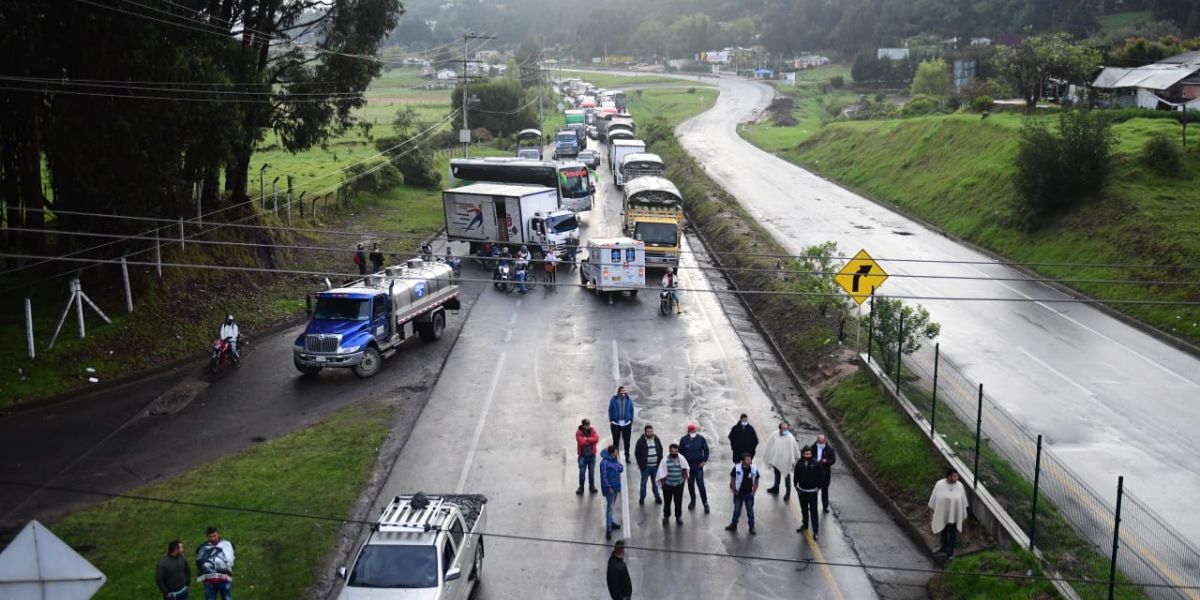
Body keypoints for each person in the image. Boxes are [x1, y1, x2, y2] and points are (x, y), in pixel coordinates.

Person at [929, 468, 969, 559]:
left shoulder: (960, 486)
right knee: (943, 530)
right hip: (943, 513)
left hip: (954, 515)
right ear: (949, 476)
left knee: (952, 533)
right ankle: (943, 548)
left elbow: (962, 501)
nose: (957, 478)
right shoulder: (940, 485)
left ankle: (950, 552)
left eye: (957, 475)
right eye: (955, 476)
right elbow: (936, 498)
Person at [764, 421, 802, 501]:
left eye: (786, 428)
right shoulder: (775, 434)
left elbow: (794, 448)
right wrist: (771, 456)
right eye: (783, 428)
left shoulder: (790, 437)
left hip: (786, 461)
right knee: (776, 474)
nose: (785, 430)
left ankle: (788, 493)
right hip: (776, 459)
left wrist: (794, 458)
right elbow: (770, 445)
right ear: (780, 428)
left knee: (786, 477)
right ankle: (776, 488)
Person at [724, 452, 760, 534]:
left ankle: (752, 527)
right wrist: (734, 490)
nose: (749, 461)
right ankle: (733, 525)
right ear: (742, 461)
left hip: (748, 494)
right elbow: (732, 479)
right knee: (737, 511)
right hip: (738, 494)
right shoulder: (737, 468)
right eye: (747, 459)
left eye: (750, 459)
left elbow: (757, 481)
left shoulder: (754, 468)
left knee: (750, 512)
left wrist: (753, 492)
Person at [678, 423, 710, 513]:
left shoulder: (701, 439)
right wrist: (683, 466)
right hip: (688, 468)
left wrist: (704, 461)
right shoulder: (684, 440)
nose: (694, 432)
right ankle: (693, 501)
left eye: (695, 430)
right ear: (688, 431)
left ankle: (705, 503)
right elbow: (679, 453)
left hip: (698, 467)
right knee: (690, 485)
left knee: (701, 485)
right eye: (692, 430)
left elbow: (706, 450)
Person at [195, 527, 234, 600]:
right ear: (207, 537)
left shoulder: (226, 545)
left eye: (214, 536)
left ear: (218, 534)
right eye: (210, 537)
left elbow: (229, 558)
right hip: (210, 582)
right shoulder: (203, 547)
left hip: (224, 580)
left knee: (227, 598)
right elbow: (199, 561)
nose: (213, 538)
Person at [655, 443, 690, 525]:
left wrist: (682, 482)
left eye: (676, 451)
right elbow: (661, 473)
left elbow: (685, 470)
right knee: (667, 502)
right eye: (672, 451)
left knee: (678, 502)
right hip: (668, 485)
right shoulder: (665, 460)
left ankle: (678, 517)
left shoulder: (681, 459)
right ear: (669, 451)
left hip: (678, 485)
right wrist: (664, 485)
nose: (674, 452)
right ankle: (666, 516)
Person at [793, 445, 822, 540]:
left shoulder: (816, 464)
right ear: (803, 454)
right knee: (804, 509)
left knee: (814, 511)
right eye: (806, 454)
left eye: (809, 454)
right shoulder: (799, 463)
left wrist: (818, 487)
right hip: (802, 491)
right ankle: (805, 524)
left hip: (812, 492)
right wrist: (795, 485)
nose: (808, 455)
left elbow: (821, 476)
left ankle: (815, 531)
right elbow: (796, 474)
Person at [634, 424, 663, 505]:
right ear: (645, 432)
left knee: (655, 483)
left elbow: (660, 450)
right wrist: (641, 465)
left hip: (655, 467)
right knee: (643, 483)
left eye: (651, 431)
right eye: (648, 431)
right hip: (645, 467)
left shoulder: (656, 439)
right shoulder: (641, 441)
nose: (650, 433)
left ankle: (657, 496)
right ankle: (642, 497)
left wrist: (659, 462)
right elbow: (637, 453)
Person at [599, 445, 624, 540]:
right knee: (610, 507)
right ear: (611, 453)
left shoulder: (614, 460)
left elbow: (621, 468)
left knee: (612, 506)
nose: (617, 454)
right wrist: (609, 487)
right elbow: (604, 476)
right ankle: (608, 528)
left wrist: (616, 465)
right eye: (615, 453)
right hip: (610, 489)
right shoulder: (604, 463)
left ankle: (611, 522)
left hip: (615, 487)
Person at [608, 387, 635, 463]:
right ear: (619, 392)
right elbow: (610, 410)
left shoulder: (629, 400)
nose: (623, 392)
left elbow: (632, 410)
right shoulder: (613, 400)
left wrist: (631, 419)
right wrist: (611, 419)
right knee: (616, 441)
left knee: (627, 441)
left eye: (624, 391)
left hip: (626, 423)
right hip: (616, 423)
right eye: (622, 391)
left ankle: (627, 456)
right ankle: (615, 456)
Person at [812, 434, 837, 513]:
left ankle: (825, 507)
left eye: (822, 442)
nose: (821, 444)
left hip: (825, 474)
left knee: (825, 491)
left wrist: (826, 461)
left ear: (825, 441)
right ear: (817, 440)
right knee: (813, 491)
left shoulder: (829, 449)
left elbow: (833, 460)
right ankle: (812, 505)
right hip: (815, 473)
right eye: (819, 442)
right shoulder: (813, 448)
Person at [576, 419, 600, 495]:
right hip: (583, 456)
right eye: (587, 425)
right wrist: (590, 440)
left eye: (589, 424)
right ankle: (581, 487)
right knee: (582, 473)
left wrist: (587, 439)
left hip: (592, 456)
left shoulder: (592, 430)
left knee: (591, 472)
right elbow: (581, 442)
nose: (588, 426)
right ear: (583, 425)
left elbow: (596, 439)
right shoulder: (579, 432)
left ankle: (591, 486)